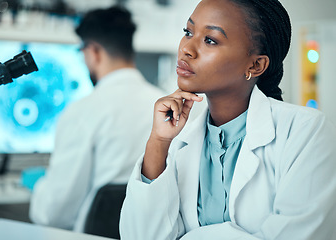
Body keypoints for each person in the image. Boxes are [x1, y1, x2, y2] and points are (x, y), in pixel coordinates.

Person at [119, 0, 336, 239]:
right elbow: (139, 235)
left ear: (255, 65)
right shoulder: (179, 137)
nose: (187, 49)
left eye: (210, 40)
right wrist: (158, 142)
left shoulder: (307, 132)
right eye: (188, 32)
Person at [29, 6, 164, 232]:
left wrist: (40, 187)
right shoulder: (167, 107)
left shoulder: (82, 112)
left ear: (94, 52)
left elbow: (52, 214)